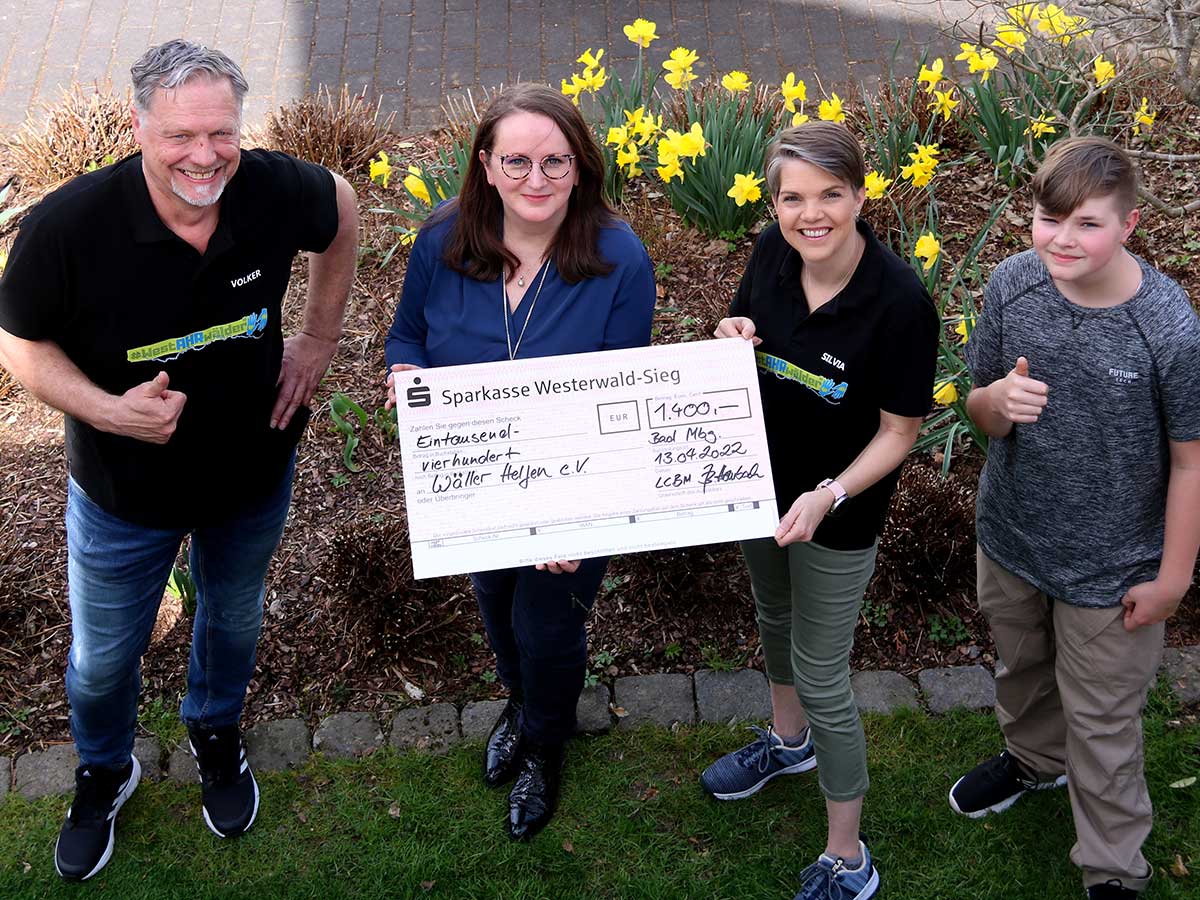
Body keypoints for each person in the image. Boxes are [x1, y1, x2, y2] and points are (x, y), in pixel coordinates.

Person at [0, 40, 358, 880]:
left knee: (231, 622)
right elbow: (19, 343)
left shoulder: (271, 189)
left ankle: (216, 732)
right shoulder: (70, 226)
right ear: (139, 127)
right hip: (124, 494)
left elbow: (341, 211)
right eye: (179, 137)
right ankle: (103, 769)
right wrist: (105, 409)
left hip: (251, 475)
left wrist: (317, 336)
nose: (204, 157)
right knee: (102, 659)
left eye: (220, 134)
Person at [384, 83, 655, 841]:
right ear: (485, 164)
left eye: (555, 163)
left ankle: (546, 741)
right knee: (496, 609)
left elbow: (623, 388)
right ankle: (520, 700)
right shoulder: (443, 242)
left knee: (548, 627)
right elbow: (405, 339)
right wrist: (406, 376)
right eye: (517, 161)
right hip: (477, 483)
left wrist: (578, 517)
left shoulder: (617, 258)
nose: (536, 181)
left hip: (576, 487)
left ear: (580, 167)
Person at [952, 137, 1200, 899]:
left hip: (1115, 569)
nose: (1062, 238)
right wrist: (997, 404)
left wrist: (1172, 581)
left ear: (1128, 227)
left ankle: (1113, 869)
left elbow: (1192, 462)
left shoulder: (1168, 328)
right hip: (1015, 537)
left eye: (1087, 224)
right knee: (1022, 670)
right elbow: (977, 407)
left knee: (1102, 725)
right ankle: (1032, 761)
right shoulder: (1012, 286)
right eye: (1047, 217)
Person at [705, 121, 938, 900]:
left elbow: (899, 433)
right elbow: (742, 330)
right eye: (793, 197)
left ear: (861, 194)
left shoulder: (902, 303)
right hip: (755, 487)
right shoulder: (775, 253)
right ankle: (787, 742)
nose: (812, 214)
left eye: (830, 195)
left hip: (837, 514)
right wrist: (729, 331)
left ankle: (849, 858)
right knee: (773, 619)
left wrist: (829, 493)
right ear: (775, 204)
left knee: (822, 670)